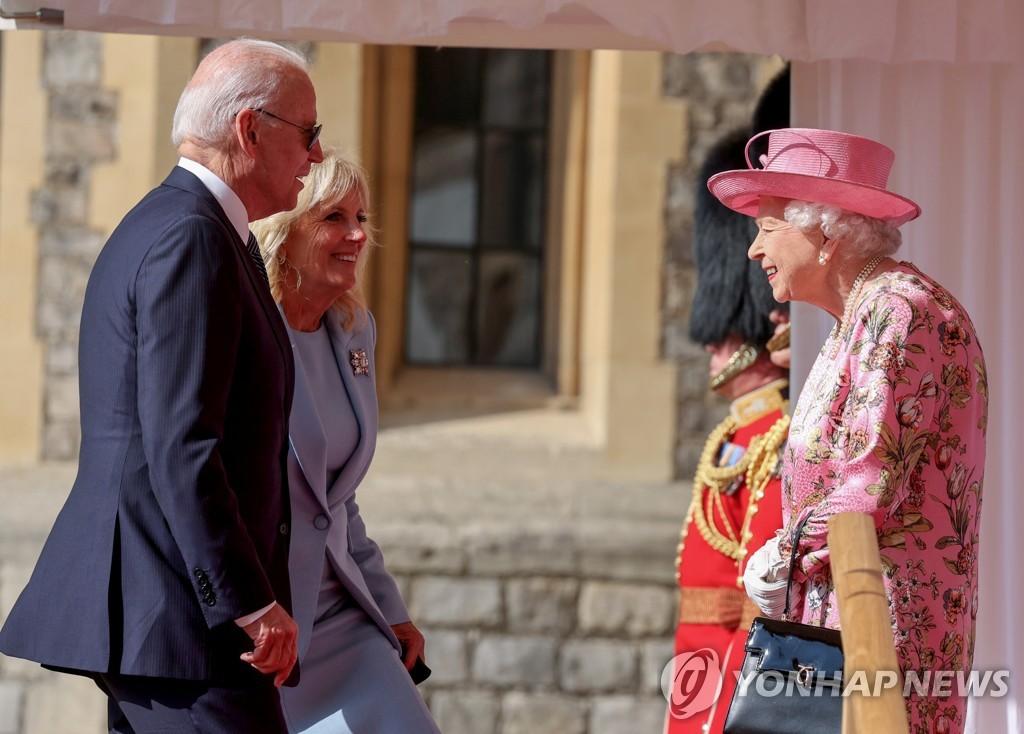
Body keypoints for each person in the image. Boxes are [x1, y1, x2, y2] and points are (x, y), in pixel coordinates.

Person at [0, 39, 325, 733]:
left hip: (166, 613)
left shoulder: (189, 226)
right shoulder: (191, 236)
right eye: (309, 133)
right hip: (181, 621)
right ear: (249, 130)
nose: (317, 157)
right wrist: (249, 602)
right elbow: (182, 445)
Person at [710, 127, 987, 734]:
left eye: (767, 228)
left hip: (879, 629)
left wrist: (781, 552)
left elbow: (869, 484)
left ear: (826, 231)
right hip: (841, 618)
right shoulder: (862, 314)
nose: (754, 252)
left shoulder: (900, 309)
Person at [251, 147, 440, 734]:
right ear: (286, 232)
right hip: (272, 625)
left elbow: (336, 499)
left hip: (346, 620)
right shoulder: (250, 333)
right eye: (333, 218)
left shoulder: (355, 329)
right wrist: (251, 611)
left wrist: (390, 610)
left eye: (362, 218)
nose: (357, 234)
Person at [665, 127, 791, 734]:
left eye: (727, 326)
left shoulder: (777, 434)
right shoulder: (735, 435)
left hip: (736, 677)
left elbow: (757, 602)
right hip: (698, 670)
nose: (714, 341)